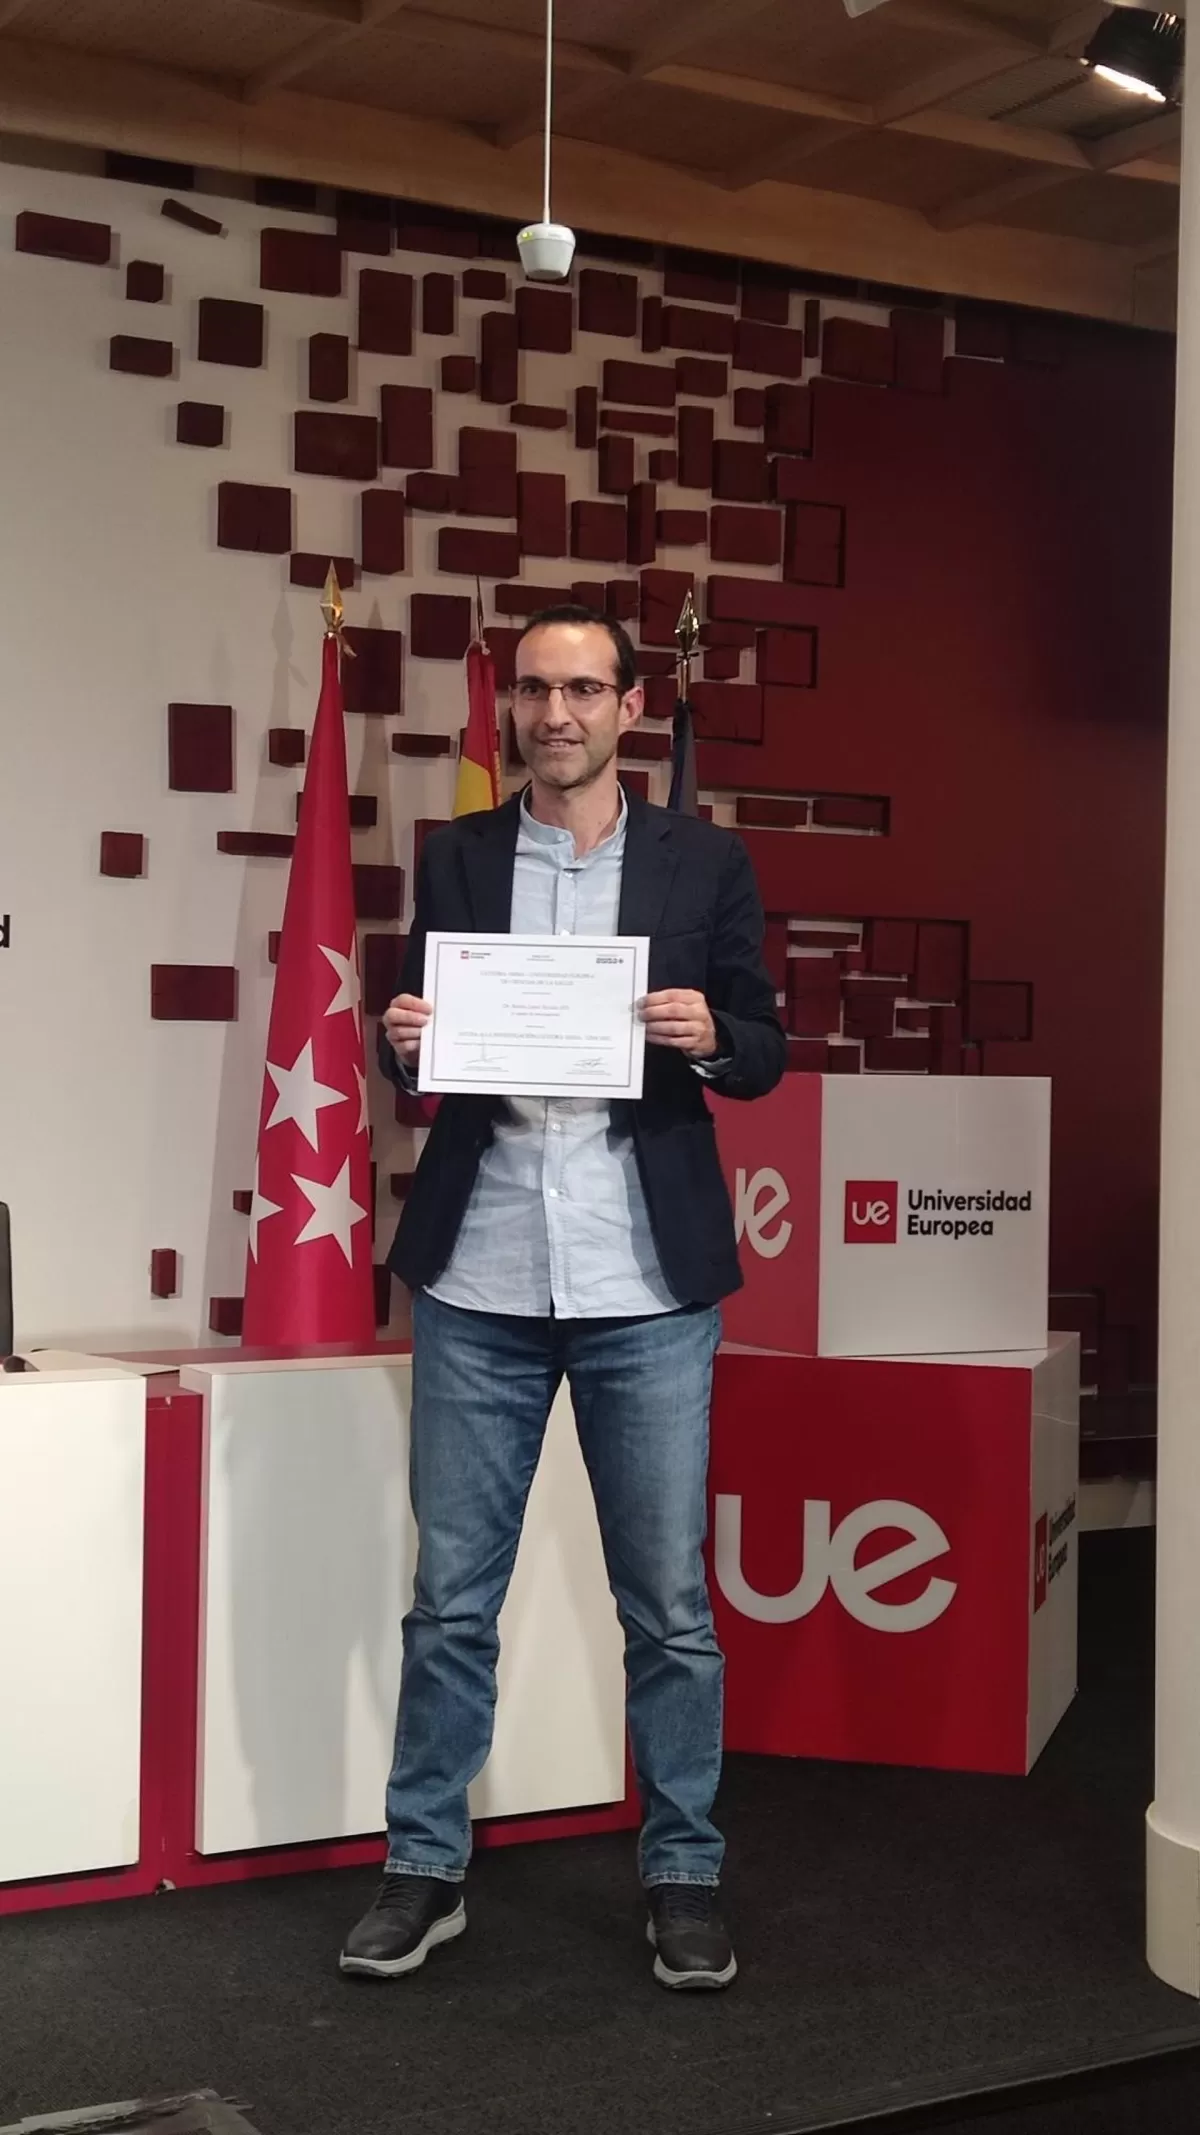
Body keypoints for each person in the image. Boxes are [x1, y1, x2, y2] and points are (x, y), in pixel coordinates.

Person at [340, 606, 786, 1992]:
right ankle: (425, 1865)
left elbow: (764, 1044)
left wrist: (712, 1036)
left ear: (629, 706)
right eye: (536, 689)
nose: (557, 713)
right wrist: (403, 1037)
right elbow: (417, 1040)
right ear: (512, 708)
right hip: (479, 1275)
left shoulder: (703, 859)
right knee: (449, 1602)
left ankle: (684, 1871)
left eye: (584, 689)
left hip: (642, 1278)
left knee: (668, 1607)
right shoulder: (461, 854)